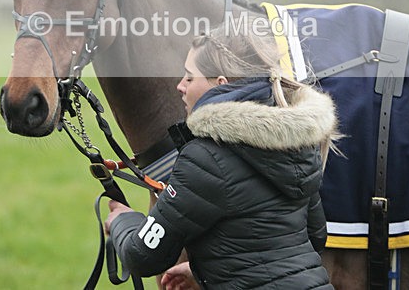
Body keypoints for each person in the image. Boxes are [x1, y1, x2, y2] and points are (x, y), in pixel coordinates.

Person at [104, 24, 339, 289]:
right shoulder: (297, 145)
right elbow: (314, 237)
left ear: (220, 84)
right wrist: (209, 271)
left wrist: (123, 219)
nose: (180, 86)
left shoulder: (204, 158)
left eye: (189, 78)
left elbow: (142, 256)